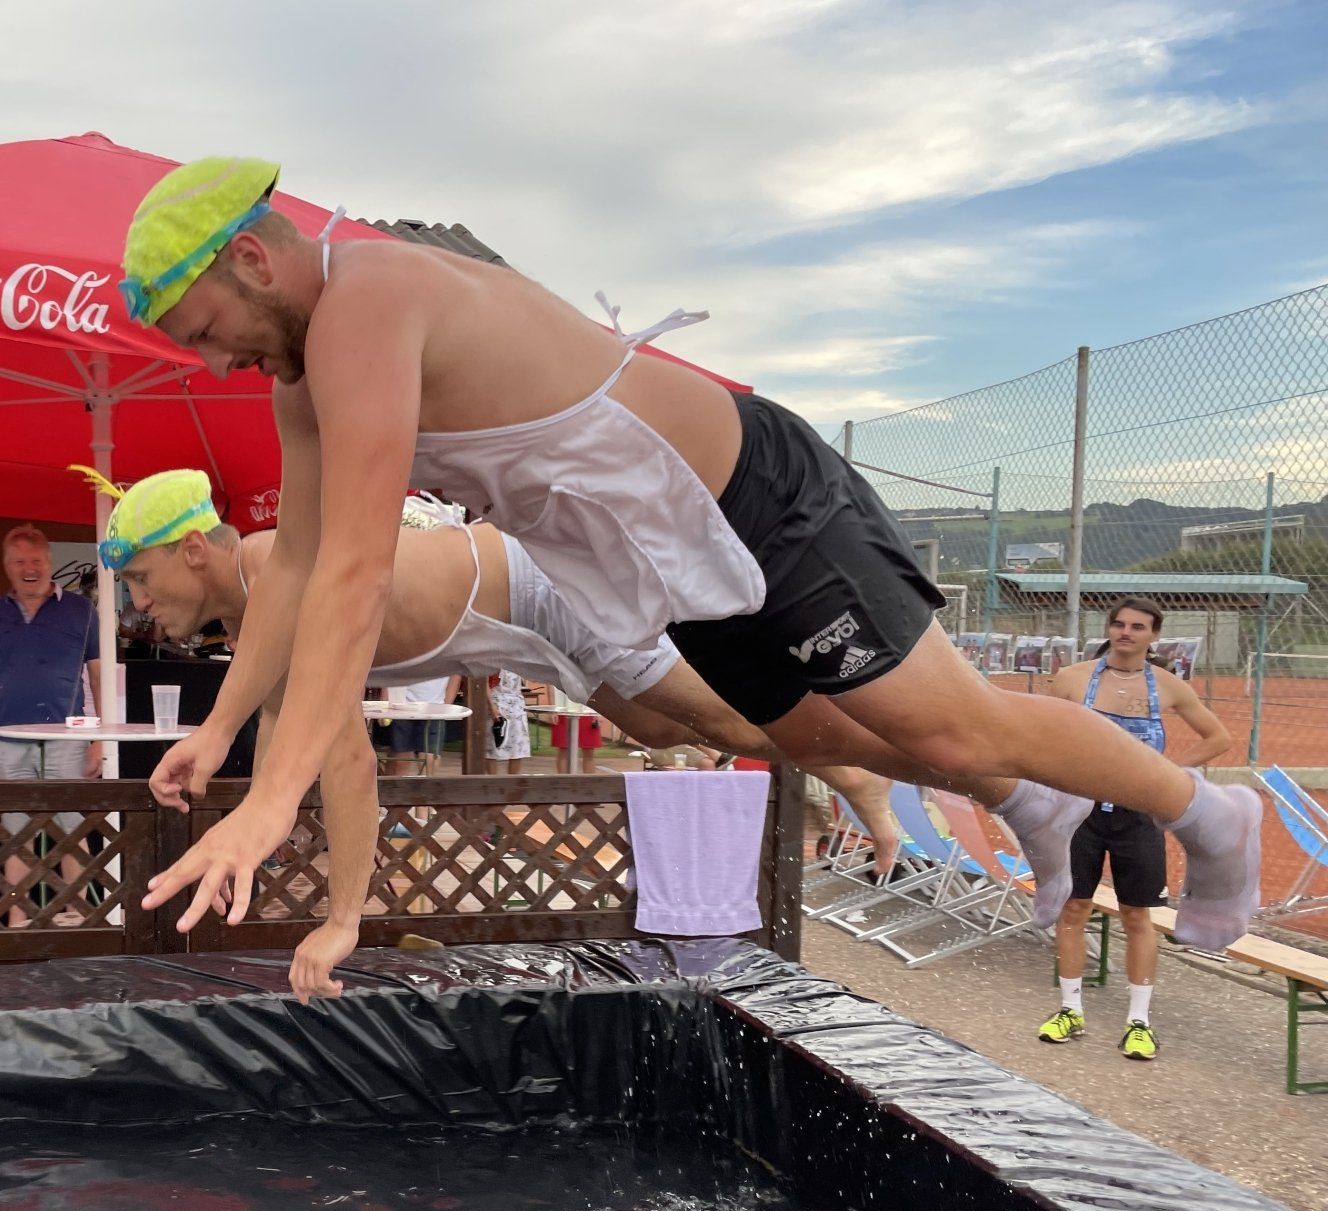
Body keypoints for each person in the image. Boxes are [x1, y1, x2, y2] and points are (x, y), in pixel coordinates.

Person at [119, 156, 1260, 952]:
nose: (215, 362)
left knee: (947, 723)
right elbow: (296, 570)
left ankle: (1209, 818)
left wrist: (274, 801)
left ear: (253, 261)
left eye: (205, 331)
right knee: (807, 738)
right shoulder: (303, 385)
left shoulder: (367, 302)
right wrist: (220, 733)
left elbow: (356, 577)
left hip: (755, 497)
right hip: (662, 557)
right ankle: (1039, 810)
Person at [99, 470, 904, 996]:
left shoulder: (278, 568)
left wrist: (344, 921)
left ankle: (860, 763)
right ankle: (812, 718)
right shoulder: (255, 619)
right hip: (505, 621)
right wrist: (245, 836)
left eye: (138, 577)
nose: (137, 605)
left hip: (534, 584)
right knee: (658, 726)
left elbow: (347, 765)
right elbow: (286, 743)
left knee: (711, 716)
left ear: (194, 549)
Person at [1038, 598, 1232, 1061]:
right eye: (1119, 624)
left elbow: (1218, 737)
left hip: (1138, 815)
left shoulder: (1168, 686)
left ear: (1154, 636)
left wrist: (1166, 771)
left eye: (1137, 627)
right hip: (1080, 811)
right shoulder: (1072, 679)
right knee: (1073, 908)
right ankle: (1069, 1010)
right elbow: (1038, 730)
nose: (1126, 633)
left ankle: (1139, 1022)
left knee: (1137, 916)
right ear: (1109, 629)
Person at [0, 525, 103, 928]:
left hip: (68, 737)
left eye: (36, 560)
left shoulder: (81, 610)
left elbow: (98, 677)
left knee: (72, 831)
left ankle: (79, 918)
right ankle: (18, 922)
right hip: (8, 741)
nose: (29, 569)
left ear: (49, 563)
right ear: (7, 567)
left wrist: (99, 740)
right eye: (19, 562)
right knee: (17, 837)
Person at [489, 670, 530, 774]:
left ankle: (512, 781)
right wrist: (491, 706)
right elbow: (484, 681)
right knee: (492, 747)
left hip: (516, 704)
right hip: (496, 701)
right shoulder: (491, 661)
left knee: (517, 748)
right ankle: (492, 781)